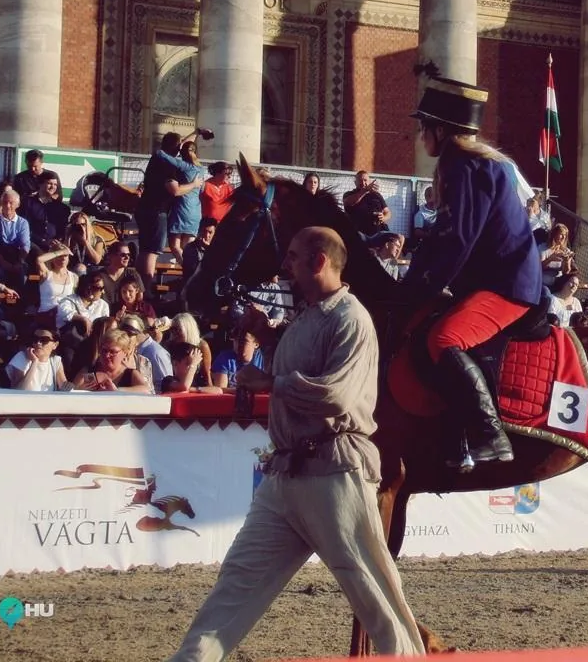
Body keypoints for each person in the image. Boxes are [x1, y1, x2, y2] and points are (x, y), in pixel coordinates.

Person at [167, 226, 424, 660]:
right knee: (235, 585)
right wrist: (266, 338)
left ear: (319, 262)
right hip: (285, 475)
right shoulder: (309, 316)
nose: (284, 266)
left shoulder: (351, 318)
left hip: (336, 471)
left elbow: (337, 396)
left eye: (292, 257)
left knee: (374, 595)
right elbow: (305, 365)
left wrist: (270, 381)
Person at [403, 76, 542, 471]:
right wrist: (413, 282)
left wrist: (427, 284)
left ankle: (488, 435)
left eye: (423, 126)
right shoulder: (463, 164)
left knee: (445, 338)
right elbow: (440, 237)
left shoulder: (464, 165)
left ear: (441, 130)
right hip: (490, 279)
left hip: (506, 284)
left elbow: (459, 238)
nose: (420, 134)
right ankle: (453, 440)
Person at [136, 129, 207, 290]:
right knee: (152, 251)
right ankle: (145, 290)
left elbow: (179, 145)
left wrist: (195, 133)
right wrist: (194, 185)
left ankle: (140, 288)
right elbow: (175, 190)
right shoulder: (168, 165)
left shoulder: (157, 159)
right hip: (157, 211)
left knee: (145, 249)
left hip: (145, 208)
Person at [169, 140, 209, 259]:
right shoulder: (201, 169)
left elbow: (164, 156)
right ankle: (190, 270)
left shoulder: (183, 166)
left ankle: (187, 270)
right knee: (188, 248)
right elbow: (202, 189)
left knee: (175, 246)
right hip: (195, 211)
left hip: (181, 208)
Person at [7, 329, 72, 391]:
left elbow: (64, 389)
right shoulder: (22, 357)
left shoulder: (55, 361)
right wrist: (34, 362)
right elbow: (18, 390)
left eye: (44, 340)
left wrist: (68, 386)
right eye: (35, 339)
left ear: (55, 345)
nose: (38, 343)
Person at [343, 170, 391, 239]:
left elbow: (388, 212)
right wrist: (365, 190)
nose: (363, 183)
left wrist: (383, 217)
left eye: (365, 180)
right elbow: (349, 202)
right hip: (360, 233)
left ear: (369, 181)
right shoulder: (349, 194)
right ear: (355, 182)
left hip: (379, 231)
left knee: (400, 238)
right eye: (360, 180)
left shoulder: (376, 195)